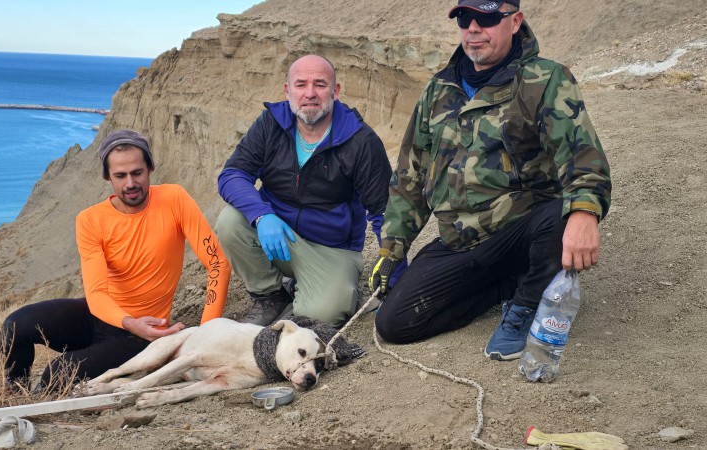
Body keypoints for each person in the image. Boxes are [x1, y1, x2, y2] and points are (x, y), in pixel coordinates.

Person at [369, 0, 611, 360]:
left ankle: (526, 305)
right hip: (461, 241)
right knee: (395, 323)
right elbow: (410, 175)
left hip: (521, 233)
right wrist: (392, 248)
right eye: (465, 18)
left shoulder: (545, 80)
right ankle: (504, 287)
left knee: (562, 213)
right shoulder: (438, 90)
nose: (473, 28)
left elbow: (582, 155)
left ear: (515, 21)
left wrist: (585, 213)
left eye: (486, 17)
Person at [0, 129, 231, 390]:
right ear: (108, 176)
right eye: (120, 176)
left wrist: (206, 331)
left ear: (150, 169)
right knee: (15, 326)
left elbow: (218, 264)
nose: (130, 183)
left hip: (141, 335)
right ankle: (15, 392)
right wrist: (129, 322)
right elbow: (96, 293)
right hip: (101, 316)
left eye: (137, 173)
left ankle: (44, 396)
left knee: (55, 374)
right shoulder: (90, 220)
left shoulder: (174, 199)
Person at [216, 54, 392, 328]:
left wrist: (395, 278)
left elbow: (384, 211)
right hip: (279, 236)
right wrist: (263, 216)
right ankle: (270, 296)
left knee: (321, 316)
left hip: (332, 250)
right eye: (301, 85)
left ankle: (315, 290)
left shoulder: (360, 141)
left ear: (335, 91)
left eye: (320, 84)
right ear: (288, 91)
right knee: (230, 222)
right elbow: (233, 174)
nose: (310, 93)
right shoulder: (271, 124)